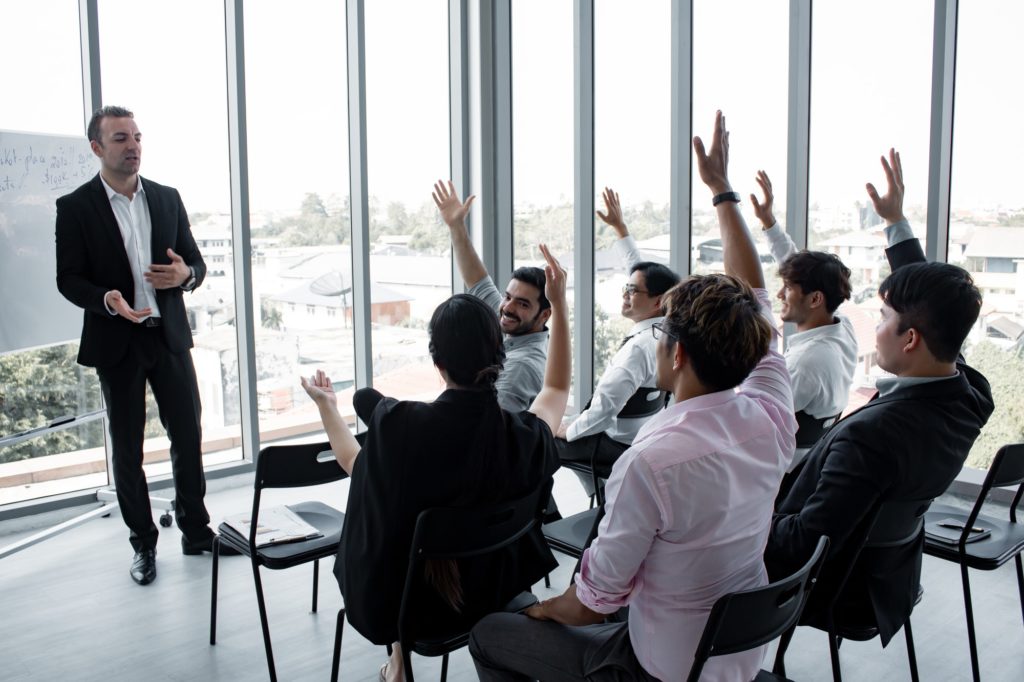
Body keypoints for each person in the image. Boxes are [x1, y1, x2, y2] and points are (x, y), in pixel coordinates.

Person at [469, 111, 797, 681]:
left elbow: (591, 602)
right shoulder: (772, 417)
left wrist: (539, 609)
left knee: (492, 634)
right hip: (740, 652)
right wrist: (722, 191)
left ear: (676, 355)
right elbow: (759, 301)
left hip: (661, 665)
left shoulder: (650, 461)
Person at [301, 245, 571, 682]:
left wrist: (328, 408)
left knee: (392, 511)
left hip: (412, 610)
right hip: (491, 593)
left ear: (438, 361)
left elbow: (355, 464)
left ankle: (398, 663)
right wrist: (559, 307)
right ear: (498, 357)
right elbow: (556, 388)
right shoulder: (524, 438)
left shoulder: (400, 425)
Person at [764, 148, 994, 646]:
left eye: (886, 319)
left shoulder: (873, 437)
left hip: (833, 589)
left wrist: (739, 518)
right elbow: (941, 313)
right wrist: (896, 226)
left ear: (910, 339)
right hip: (889, 579)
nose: (877, 329)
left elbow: (802, 544)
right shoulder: (972, 397)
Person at [55, 105, 231, 586]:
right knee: (128, 451)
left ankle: (197, 531)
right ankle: (143, 544)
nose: (132, 145)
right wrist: (106, 299)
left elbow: (195, 263)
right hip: (118, 342)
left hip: (168, 336)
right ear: (97, 148)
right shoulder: (75, 207)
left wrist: (186, 275)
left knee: (188, 438)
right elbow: (68, 279)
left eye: (136, 136)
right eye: (119, 138)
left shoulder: (168, 198)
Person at [555, 187, 681, 487]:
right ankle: (598, 495)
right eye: (625, 288)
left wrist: (567, 430)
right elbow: (639, 271)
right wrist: (620, 230)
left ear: (658, 301)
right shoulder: (671, 331)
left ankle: (540, 519)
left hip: (615, 447)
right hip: (642, 437)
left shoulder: (637, 349)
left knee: (542, 444)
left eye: (632, 291)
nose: (625, 296)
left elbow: (603, 411)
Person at [751, 170, 858, 467]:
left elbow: (751, 426)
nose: (780, 295)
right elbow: (796, 265)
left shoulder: (805, 364)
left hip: (779, 474)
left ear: (815, 299)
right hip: (808, 462)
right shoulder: (841, 329)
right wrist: (769, 222)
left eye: (788, 289)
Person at [433, 180, 550, 413]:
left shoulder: (521, 366)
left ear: (544, 314)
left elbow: (487, 429)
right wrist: (456, 226)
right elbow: (477, 278)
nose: (507, 307)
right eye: (508, 296)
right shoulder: (515, 323)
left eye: (523, 303)